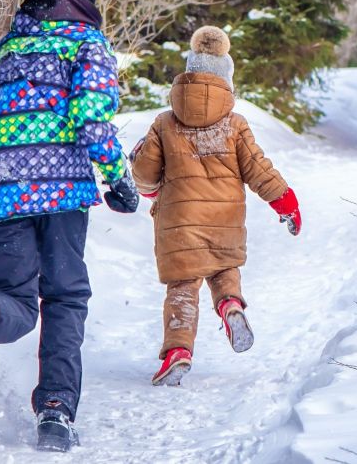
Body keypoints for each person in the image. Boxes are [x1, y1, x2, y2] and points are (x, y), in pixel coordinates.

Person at [0, 0, 139, 452]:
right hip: (60, 191)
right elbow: (91, 115)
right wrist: (118, 179)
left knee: (16, 300)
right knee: (65, 297)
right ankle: (55, 413)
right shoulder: (85, 43)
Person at [129, 25, 302, 387]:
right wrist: (285, 202)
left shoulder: (164, 123)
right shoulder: (234, 124)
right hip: (224, 218)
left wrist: (145, 180)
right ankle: (229, 305)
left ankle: (178, 352)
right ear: (226, 78)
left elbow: (144, 176)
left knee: (182, 287)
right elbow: (258, 169)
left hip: (178, 222)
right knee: (224, 270)